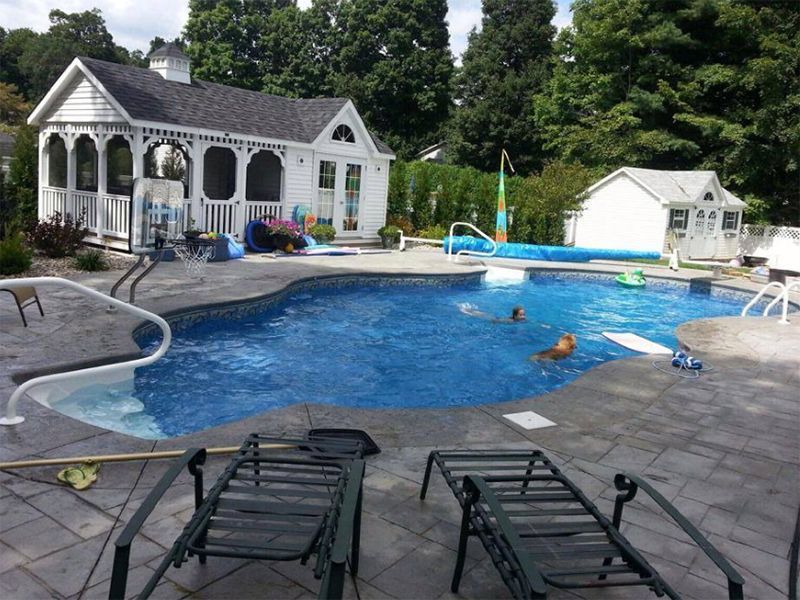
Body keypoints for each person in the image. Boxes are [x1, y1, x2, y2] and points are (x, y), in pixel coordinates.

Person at [459, 304, 526, 323]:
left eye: (523, 314)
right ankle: (464, 310)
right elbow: (497, 321)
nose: (523, 316)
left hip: (495, 317)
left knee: (481, 314)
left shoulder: (521, 320)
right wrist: (494, 322)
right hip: (493, 319)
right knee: (479, 315)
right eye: (520, 315)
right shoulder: (511, 321)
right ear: (515, 315)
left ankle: (468, 309)